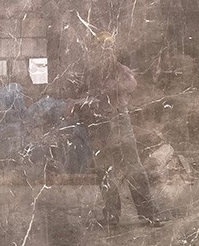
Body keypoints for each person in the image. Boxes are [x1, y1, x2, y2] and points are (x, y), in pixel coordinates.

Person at [69, 31, 163, 226]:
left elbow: (131, 84)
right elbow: (82, 95)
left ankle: (149, 214)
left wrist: (105, 91)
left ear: (113, 50)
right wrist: (80, 103)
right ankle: (111, 215)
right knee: (104, 169)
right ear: (96, 50)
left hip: (120, 122)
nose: (105, 51)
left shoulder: (121, 70)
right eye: (101, 48)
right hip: (100, 124)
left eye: (109, 47)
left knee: (133, 167)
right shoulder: (91, 74)